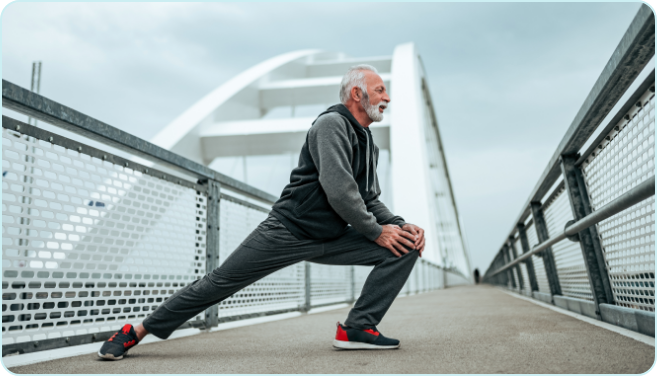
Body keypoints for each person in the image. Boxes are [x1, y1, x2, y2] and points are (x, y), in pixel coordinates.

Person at [98, 64, 426, 360]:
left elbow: (367, 198)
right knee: (218, 283)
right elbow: (339, 190)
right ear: (357, 93)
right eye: (380, 89)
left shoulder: (368, 142)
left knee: (406, 245)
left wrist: (399, 225)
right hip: (288, 231)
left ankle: (357, 328)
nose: (388, 97)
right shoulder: (331, 125)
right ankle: (136, 331)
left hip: (334, 235)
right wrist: (376, 231)